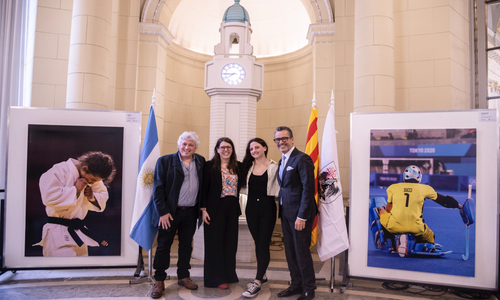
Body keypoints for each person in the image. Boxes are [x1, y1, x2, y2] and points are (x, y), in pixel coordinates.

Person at [150, 132, 205, 299]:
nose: (187, 147)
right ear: (179, 145)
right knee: (163, 245)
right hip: (169, 213)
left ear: (195, 147)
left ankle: (183, 276)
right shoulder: (165, 161)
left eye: (191, 145)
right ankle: (159, 280)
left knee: (186, 245)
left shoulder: (201, 161)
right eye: (184, 144)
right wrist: (163, 212)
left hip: (190, 212)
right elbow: (158, 189)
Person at [36, 151, 116, 257]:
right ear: (84, 168)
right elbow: (48, 198)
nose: (92, 183)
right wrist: (75, 190)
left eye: (95, 181)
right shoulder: (59, 171)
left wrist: (92, 197)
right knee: (63, 271)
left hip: (79, 233)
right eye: (92, 180)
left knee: (81, 270)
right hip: (58, 232)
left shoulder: (93, 177)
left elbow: (102, 196)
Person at [379, 165, 462, 257]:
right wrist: (459, 206)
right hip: (416, 228)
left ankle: (392, 245)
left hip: (394, 226)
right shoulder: (425, 189)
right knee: (431, 236)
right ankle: (423, 245)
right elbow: (444, 201)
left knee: (382, 213)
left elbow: (388, 209)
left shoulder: (392, 188)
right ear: (419, 177)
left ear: (404, 176)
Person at [274, 126, 317, 300]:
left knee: (301, 252)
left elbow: (308, 188)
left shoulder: (302, 158)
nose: (281, 142)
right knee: (290, 251)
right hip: (285, 213)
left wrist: (302, 216)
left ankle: (308, 288)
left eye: (284, 138)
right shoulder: (282, 160)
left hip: (300, 215)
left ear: (292, 139)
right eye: (277, 139)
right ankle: (296, 284)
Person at [201, 137, 244, 289]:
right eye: (223, 147)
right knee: (215, 244)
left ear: (232, 150)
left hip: (232, 208)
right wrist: (203, 209)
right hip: (214, 208)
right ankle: (216, 278)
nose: (226, 150)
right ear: (217, 149)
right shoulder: (209, 166)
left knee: (230, 243)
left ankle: (228, 274)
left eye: (229, 147)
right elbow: (203, 188)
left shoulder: (238, 166)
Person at [240, 138, 279, 298]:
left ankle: (257, 281)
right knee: (258, 242)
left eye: (257, 147)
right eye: (251, 149)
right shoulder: (247, 167)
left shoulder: (274, 167)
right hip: (251, 209)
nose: (254, 151)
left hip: (268, 208)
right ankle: (262, 274)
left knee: (263, 243)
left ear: (264, 148)